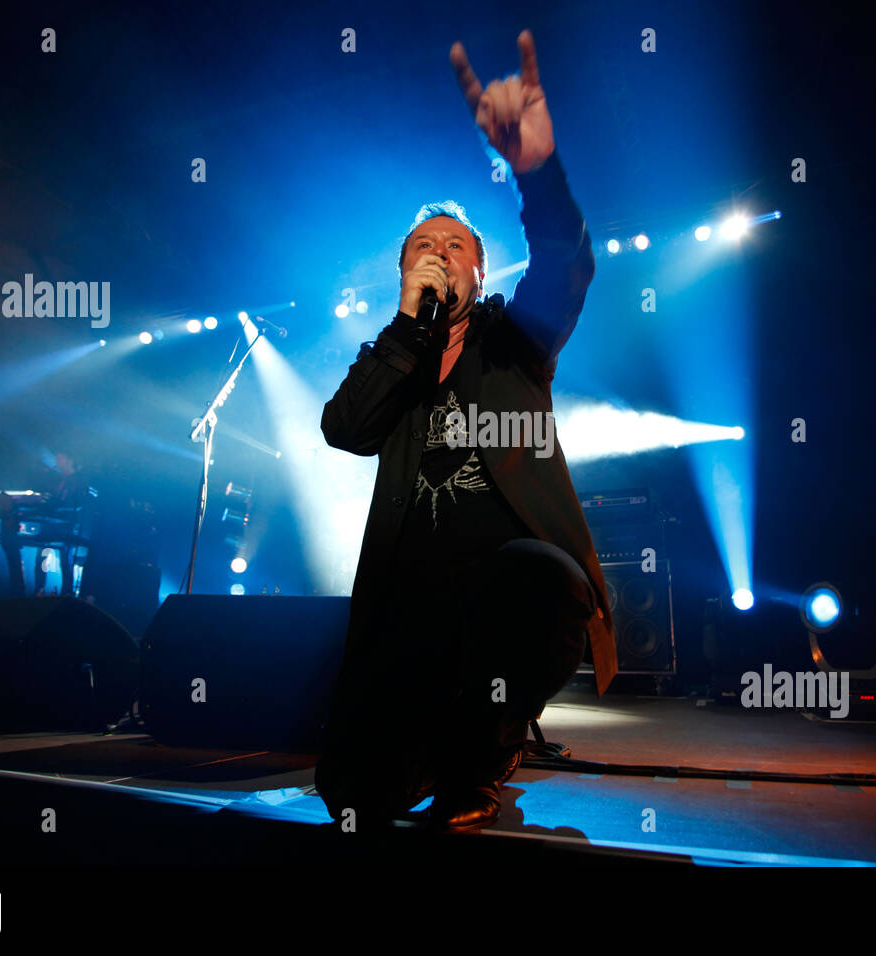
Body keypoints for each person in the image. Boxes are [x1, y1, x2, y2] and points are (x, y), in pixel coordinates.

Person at [315, 30, 618, 832]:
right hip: (407, 611)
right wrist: (406, 335)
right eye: (424, 247)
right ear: (405, 273)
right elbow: (345, 430)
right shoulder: (393, 355)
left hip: (504, 592)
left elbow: (567, 268)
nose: (440, 254)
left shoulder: (513, 342)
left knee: (536, 578)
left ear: (480, 271)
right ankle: (428, 742)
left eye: (456, 246)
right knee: (349, 796)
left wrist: (537, 173)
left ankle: (487, 752)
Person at [0, 448, 90, 597]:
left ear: (70, 460)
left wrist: (52, 505)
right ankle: (39, 589)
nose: (57, 461)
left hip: (65, 527)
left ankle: (66, 593)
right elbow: (50, 501)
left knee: (64, 560)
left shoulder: (78, 480)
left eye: (60, 458)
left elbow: (73, 503)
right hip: (49, 524)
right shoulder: (58, 480)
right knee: (42, 555)